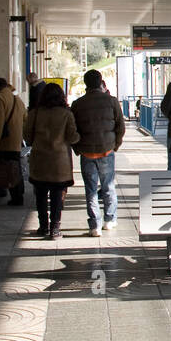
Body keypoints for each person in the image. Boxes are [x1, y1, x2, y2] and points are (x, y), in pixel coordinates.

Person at [71, 69, 126, 236]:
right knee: (108, 186)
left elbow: (73, 130)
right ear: (101, 82)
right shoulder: (112, 101)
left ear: (85, 83)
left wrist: (78, 148)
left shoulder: (78, 104)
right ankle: (110, 219)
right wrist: (114, 145)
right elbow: (120, 127)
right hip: (106, 151)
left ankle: (95, 225)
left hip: (87, 152)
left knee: (91, 189)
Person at [23, 83, 79, 239]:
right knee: (56, 195)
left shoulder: (34, 114)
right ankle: (55, 228)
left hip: (39, 159)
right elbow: (73, 136)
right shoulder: (66, 114)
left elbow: (27, 137)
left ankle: (43, 226)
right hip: (59, 162)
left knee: (40, 195)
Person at [0, 77, 27, 206]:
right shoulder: (17, 99)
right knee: (15, 170)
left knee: (0, 169)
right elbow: (25, 118)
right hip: (16, 141)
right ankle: (18, 197)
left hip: (4, 143)